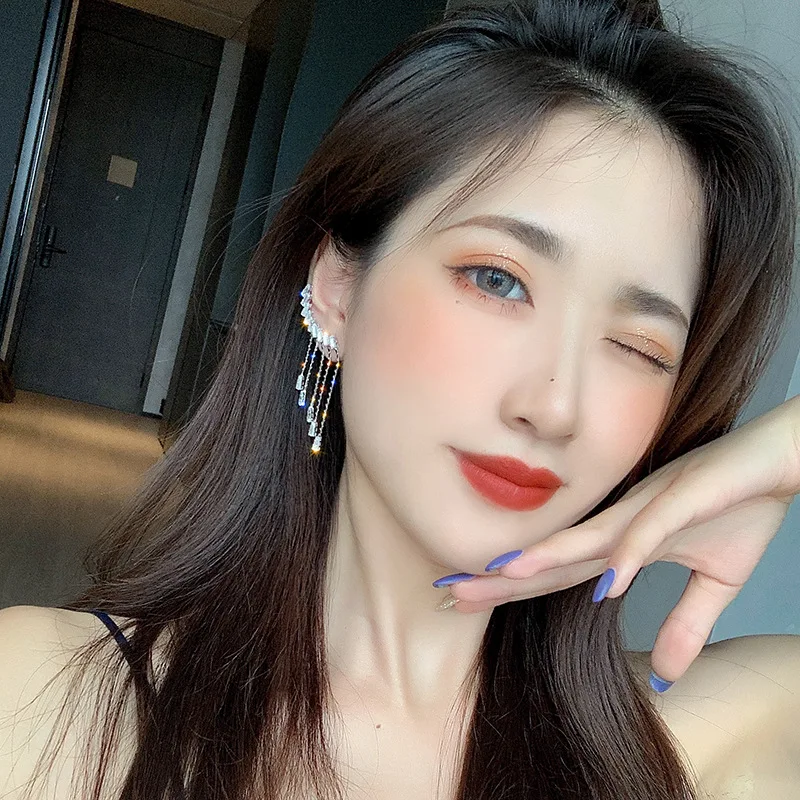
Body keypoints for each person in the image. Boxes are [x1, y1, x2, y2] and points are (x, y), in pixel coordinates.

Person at [1, 0, 798, 797]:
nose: (554, 407)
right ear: (340, 288)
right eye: (497, 280)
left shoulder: (705, 738)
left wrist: (779, 452)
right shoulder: (38, 701)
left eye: (637, 347)